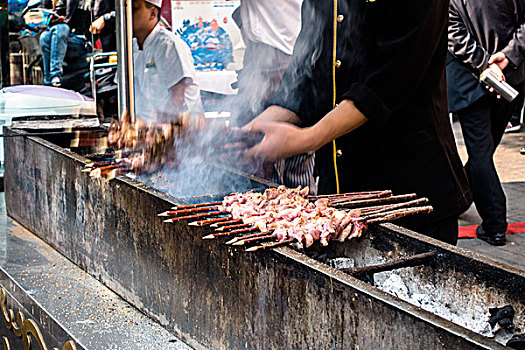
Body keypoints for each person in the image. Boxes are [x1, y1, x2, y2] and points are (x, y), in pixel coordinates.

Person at [242, 0, 472, 245]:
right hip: (340, 195)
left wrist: (307, 138)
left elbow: (387, 82)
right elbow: (305, 75)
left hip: (409, 192)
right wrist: (251, 131)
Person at [447, 0, 525, 246]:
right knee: (483, 152)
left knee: (481, 153)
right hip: (505, 76)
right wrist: (505, 58)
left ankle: (494, 225)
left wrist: (487, 63)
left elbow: (454, 36)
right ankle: (461, 199)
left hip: (478, 79)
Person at [231, 0, 317, 192]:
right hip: (258, 60)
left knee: (287, 168)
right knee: (249, 153)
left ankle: (295, 212)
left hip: (284, 59)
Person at [130, 0, 203, 121]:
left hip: (183, 127)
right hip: (149, 126)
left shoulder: (169, 45)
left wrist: (160, 128)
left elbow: (178, 95)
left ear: (153, 14)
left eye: (134, 9)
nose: (127, 16)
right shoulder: (131, 47)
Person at [39, 0, 91, 86]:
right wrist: (53, 19)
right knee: (45, 36)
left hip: (82, 40)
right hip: (66, 38)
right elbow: (58, 11)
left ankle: (55, 74)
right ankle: (48, 80)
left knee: (62, 28)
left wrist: (65, 21)